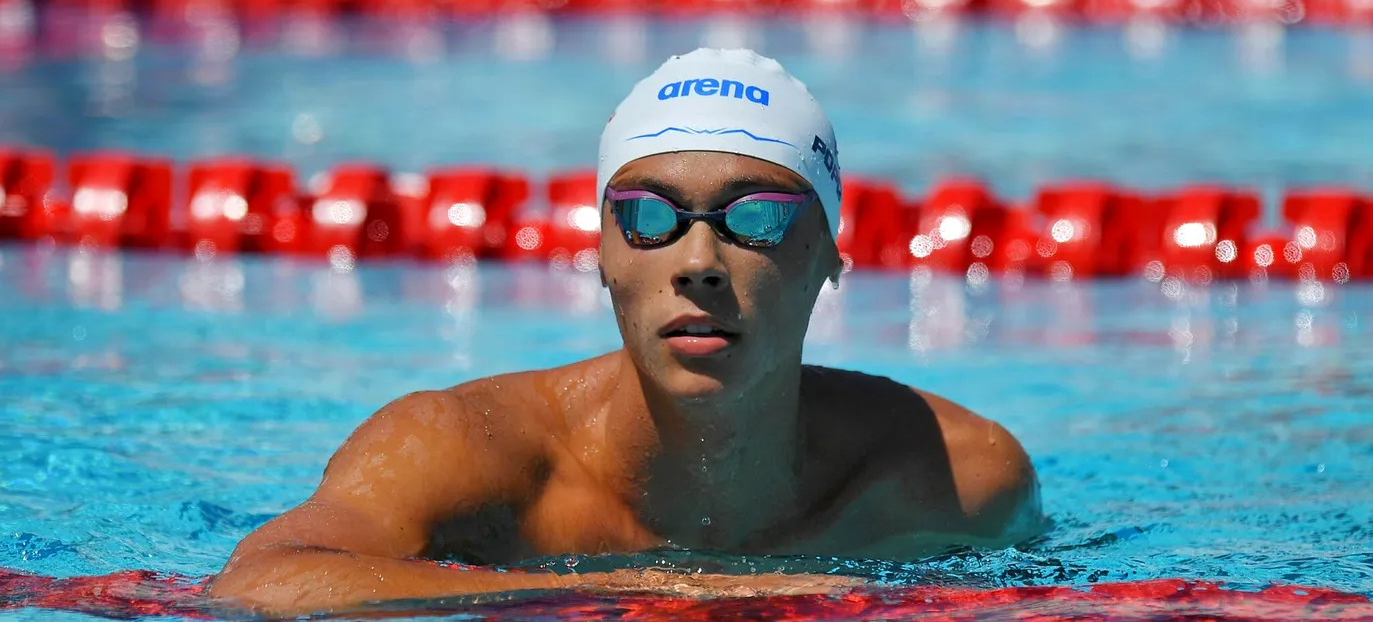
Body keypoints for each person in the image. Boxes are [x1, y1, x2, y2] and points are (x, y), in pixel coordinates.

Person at [209, 49, 1042, 616]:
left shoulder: (954, 480)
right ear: (603, 255)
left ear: (828, 255)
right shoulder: (463, 449)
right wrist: (635, 595)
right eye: (648, 216)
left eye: (756, 217)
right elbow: (262, 582)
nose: (698, 262)